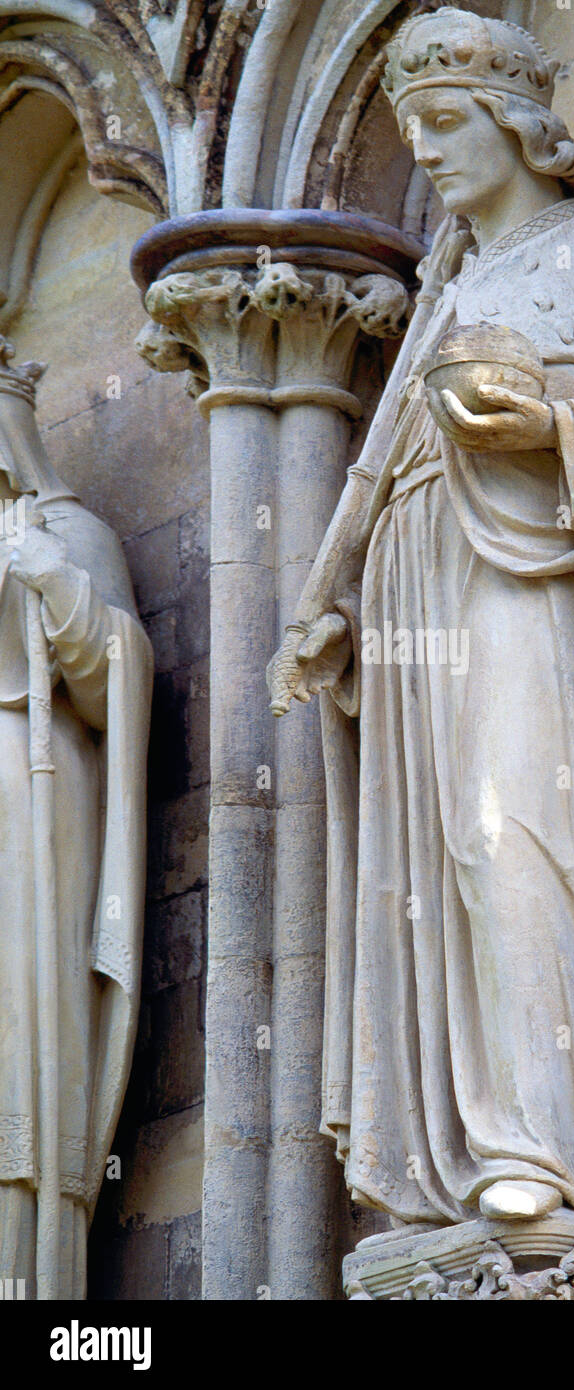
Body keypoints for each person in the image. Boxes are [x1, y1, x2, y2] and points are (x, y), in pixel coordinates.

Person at [267, 8, 574, 1236]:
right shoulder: (445, 292)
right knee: (432, 863)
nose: (422, 152)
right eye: (408, 131)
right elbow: (378, 482)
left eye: (441, 123)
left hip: (535, 574)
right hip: (422, 587)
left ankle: (552, 1150)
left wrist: (557, 432)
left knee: (506, 832)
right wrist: (347, 615)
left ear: (521, 126)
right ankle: (462, 1155)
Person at [0, 338, 152, 1296]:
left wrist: (51, 579)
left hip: (26, 799)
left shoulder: (59, 530)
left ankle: (30, 1278)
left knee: (19, 1041)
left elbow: (117, 676)